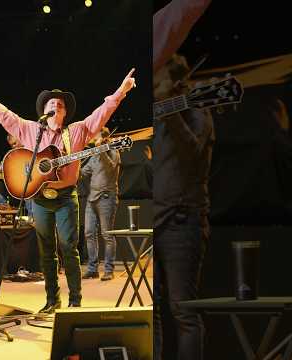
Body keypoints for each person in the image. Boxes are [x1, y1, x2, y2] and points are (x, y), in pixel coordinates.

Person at [0, 69, 136, 312]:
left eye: (60, 104)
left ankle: (75, 300)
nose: (56, 105)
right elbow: (2, 113)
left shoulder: (77, 131)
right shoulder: (30, 130)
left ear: (65, 112)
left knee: (68, 248)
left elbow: (102, 113)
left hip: (65, 197)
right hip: (40, 198)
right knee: (46, 251)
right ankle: (51, 301)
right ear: (44, 110)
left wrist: (121, 91)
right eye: (51, 102)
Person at [153, 53, 214, 360]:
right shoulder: (160, 112)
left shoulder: (198, 108)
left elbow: (191, 153)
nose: (153, 86)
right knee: (154, 311)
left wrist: (169, 113)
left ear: (177, 83)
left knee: (183, 310)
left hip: (181, 219)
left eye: (158, 80)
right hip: (157, 217)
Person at [80, 127, 121, 281]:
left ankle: (109, 270)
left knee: (107, 234)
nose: (93, 138)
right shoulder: (94, 156)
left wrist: (101, 149)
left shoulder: (114, 152)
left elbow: (110, 168)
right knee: (89, 233)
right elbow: (84, 172)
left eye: (95, 136)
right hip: (92, 198)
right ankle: (92, 269)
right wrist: (72, 167)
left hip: (106, 197)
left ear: (104, 138)